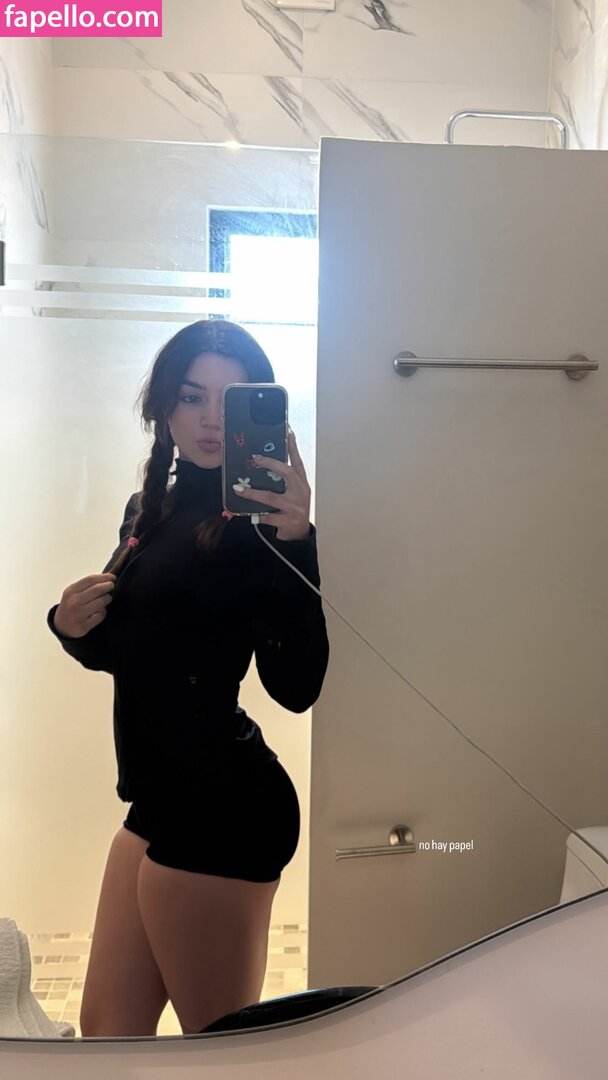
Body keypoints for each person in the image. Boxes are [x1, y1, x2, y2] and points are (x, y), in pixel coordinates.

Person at [46, 319, 330, 1037]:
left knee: (220, 1054)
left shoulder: (264, 526)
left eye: (230, 403)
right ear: (164, 407)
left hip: (225, 812)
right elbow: (131, 652)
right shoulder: (151, 508)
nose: (209, 420)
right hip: (156, 803)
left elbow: (297, 686)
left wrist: (298, 543)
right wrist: (69, 626)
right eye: (193, 396)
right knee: (108, 1037)